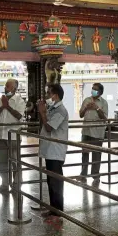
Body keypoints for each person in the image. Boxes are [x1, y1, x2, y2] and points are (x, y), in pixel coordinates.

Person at [38, 84, 69, 222]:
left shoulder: (61, 110)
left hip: (56, 151)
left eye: (48, 93)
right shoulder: (53, 108)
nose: (47, 96)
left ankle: (58, 212)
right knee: (50, 181)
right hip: (49, 150)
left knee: (56, 182)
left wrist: (43, 113)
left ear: (55, 95)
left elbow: (49, 127)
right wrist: (44, 111)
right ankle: (53, 209)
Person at [0, 79, 26, 193]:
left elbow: (19, 116)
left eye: (8, 86)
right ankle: (5, 184)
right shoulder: (1, 99)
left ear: (14, 89)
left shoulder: (19, 101)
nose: (5, 88)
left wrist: (8, 107)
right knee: (2, 162)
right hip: (0, 135)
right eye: (5, 86)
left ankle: (16, 185)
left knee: (15, 162)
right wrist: (3, 106)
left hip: (13, 137)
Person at [78, 83, 108, 185]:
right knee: (84, 153)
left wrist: (96, 108)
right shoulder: (86, 100)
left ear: (100, 92)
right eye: (92, 89)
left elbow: (104, 118)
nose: (93, 91)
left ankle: (95, 175)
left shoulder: (104, 103)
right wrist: (86, 108)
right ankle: (83, 174)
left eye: (95, 89)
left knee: (96, 154)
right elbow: (81, 115)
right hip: (86, 131)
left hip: (97, 133)